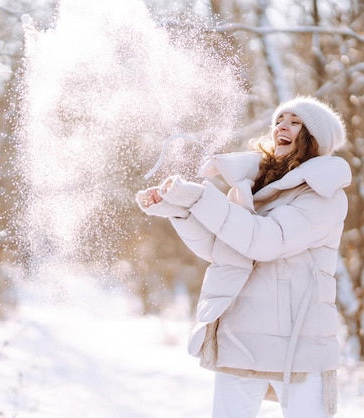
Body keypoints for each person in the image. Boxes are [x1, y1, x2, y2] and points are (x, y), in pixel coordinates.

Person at [136, 96, 351, 418]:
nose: (282, 126)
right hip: (240, 333)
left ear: (314, 139)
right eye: (280, 120)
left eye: (295, 122)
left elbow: (264, 242)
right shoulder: (252, 188)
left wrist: (201, 197)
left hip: (299, 343)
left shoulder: (322, 195)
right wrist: (180, 209)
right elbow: (222, 250)